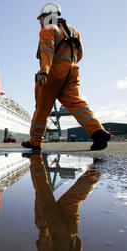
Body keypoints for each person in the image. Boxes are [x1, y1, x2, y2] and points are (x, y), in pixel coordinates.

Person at [22, 2, 110, 152]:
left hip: (53, 72)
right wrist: (70, 64)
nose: (40, 21)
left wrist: (44, 71)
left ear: (46, 16)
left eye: (40, 18)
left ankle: (35, 142)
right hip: (73, 71)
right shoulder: (73, 31)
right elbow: (80, 54)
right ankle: (98, 132)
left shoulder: (47, 29)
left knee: (42, 108)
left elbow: (46, 51)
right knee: (77, 104)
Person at [27, 153, 101, 251]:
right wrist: (44, 230)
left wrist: (69, 235)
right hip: (52, 227)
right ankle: (35, 157)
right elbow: (46, 249)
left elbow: (78, 245)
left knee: (73, 198)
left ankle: (96, 172)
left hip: (71, 230)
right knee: (41, 188)